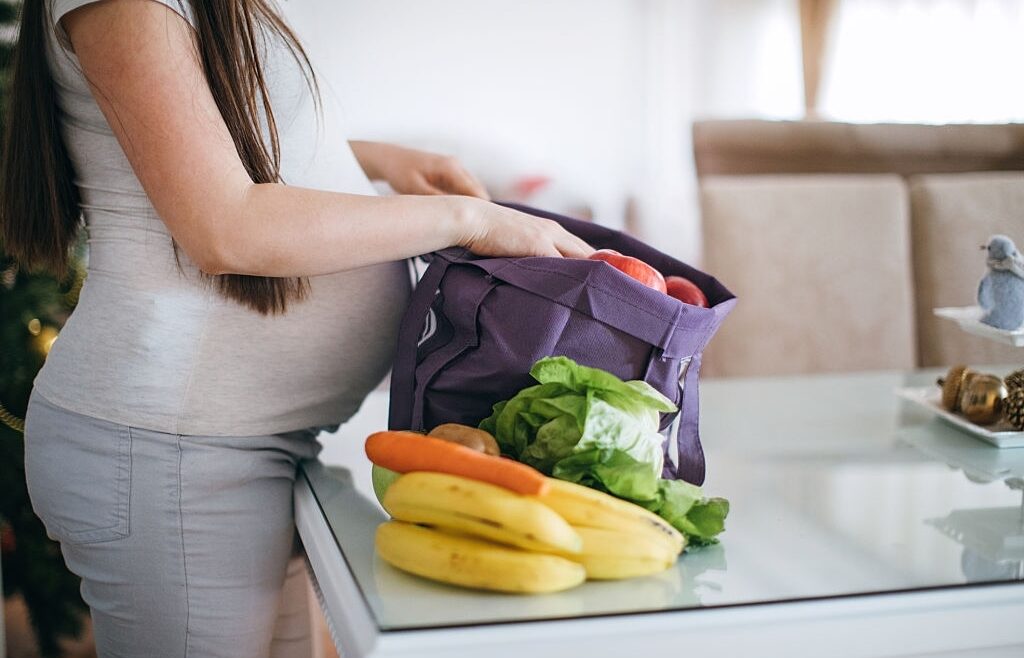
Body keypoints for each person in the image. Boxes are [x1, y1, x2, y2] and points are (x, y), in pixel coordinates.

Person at [0, 0, 594, 656]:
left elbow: (218, 138)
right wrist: (469, 219)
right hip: (174, 451)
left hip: (240, 442)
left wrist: (373, 159)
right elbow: (224, 226)